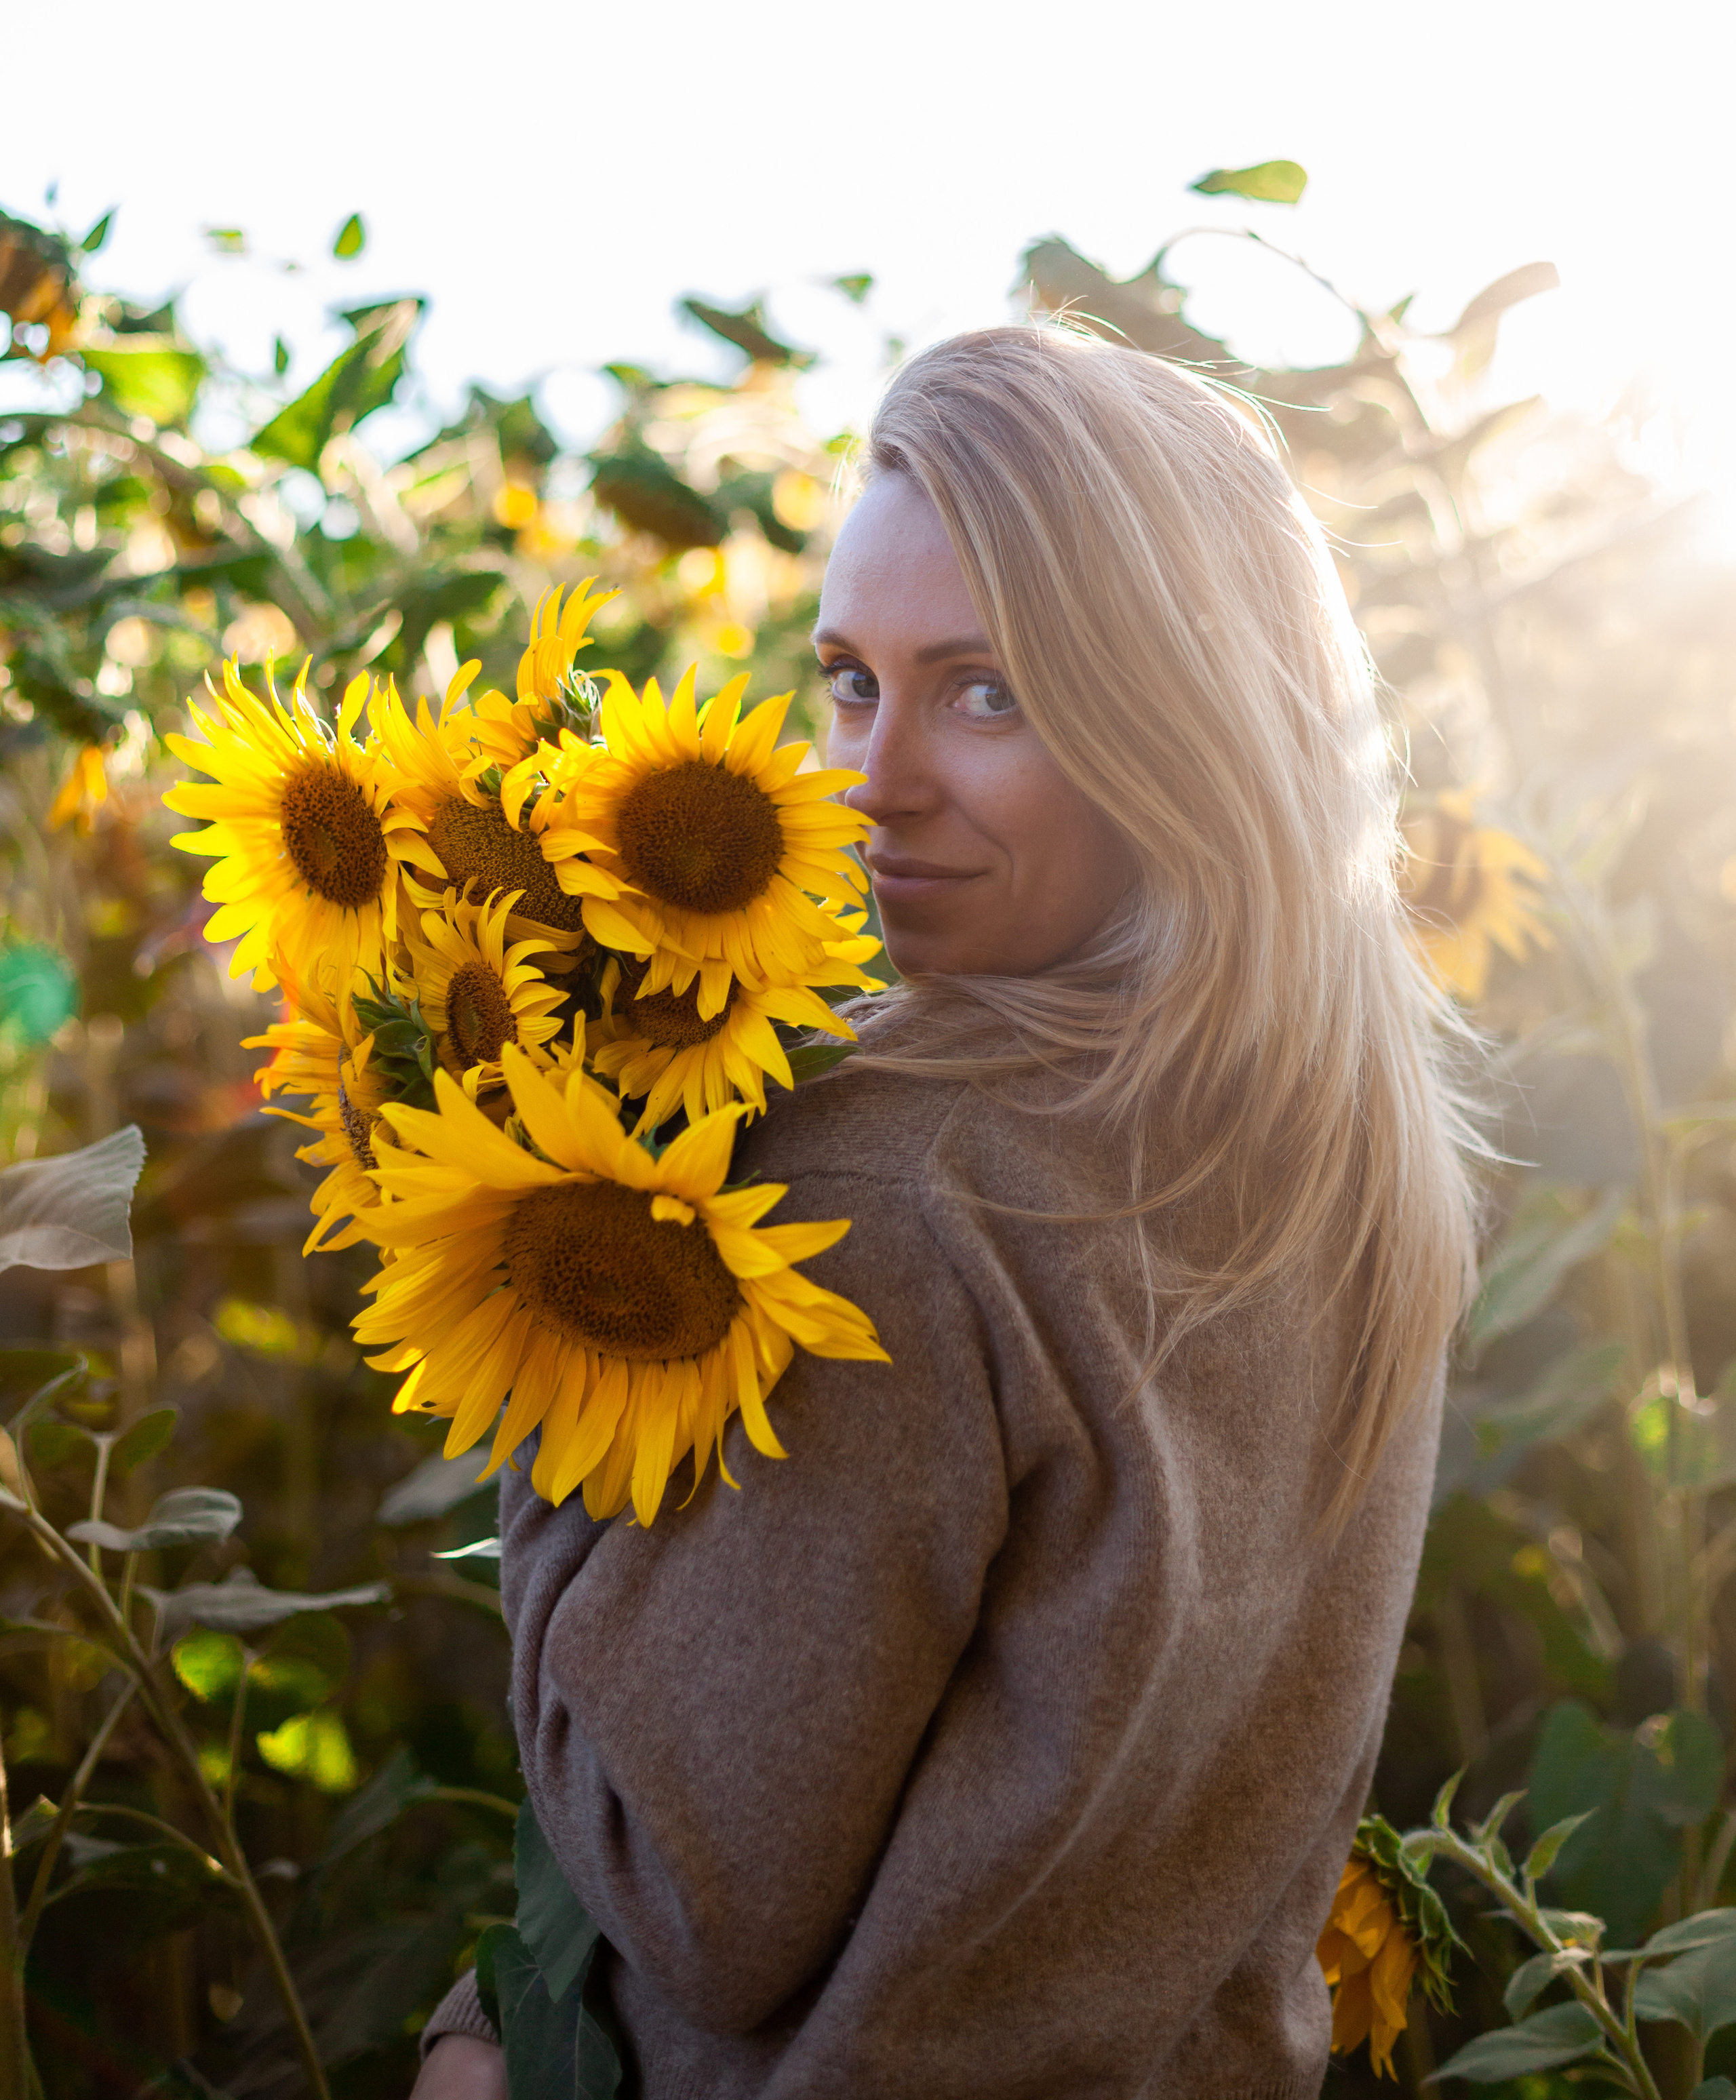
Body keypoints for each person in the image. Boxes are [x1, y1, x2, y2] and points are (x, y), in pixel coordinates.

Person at [414, 321, 1476, 2099]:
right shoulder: (1352, 1159)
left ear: (1179, 722)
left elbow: (690, 1882)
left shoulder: (892, 1196)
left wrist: (555, 1337)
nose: (870, 783)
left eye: (986, 691)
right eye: (850, 681)